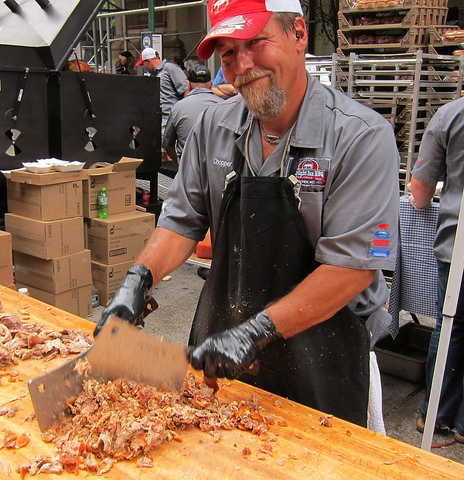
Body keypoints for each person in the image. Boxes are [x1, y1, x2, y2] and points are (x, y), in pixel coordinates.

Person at [95, 0, 399, 429]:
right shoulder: (213, 127)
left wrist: (255, 333)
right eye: (229, 53)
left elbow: (352, 269)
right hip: (225, 357)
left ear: (298, 34)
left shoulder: (360, 137)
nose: (243, 65)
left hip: (323, 358)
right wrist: (137, 280)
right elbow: (182, 220)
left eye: (256, 42)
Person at [410, 94, 464, 444]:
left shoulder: (451, 115)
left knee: (451, 328)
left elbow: (420, 190)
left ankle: (436, 413)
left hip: (458, 244)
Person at [162, 64, 223, 165]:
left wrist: (176, 160)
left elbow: (168, 144)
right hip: (217, 168)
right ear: (211, 84)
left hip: (188, 168)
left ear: (189, 85)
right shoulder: (224, 106)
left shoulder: (178, 108)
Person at [136, 47, 189, 128]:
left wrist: (186, 115)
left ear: (148, 61)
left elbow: (185, 90)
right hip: (159, 119)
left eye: (143, 64)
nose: (144, 67)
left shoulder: (170, 68)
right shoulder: (153, 75)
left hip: (172, 117)